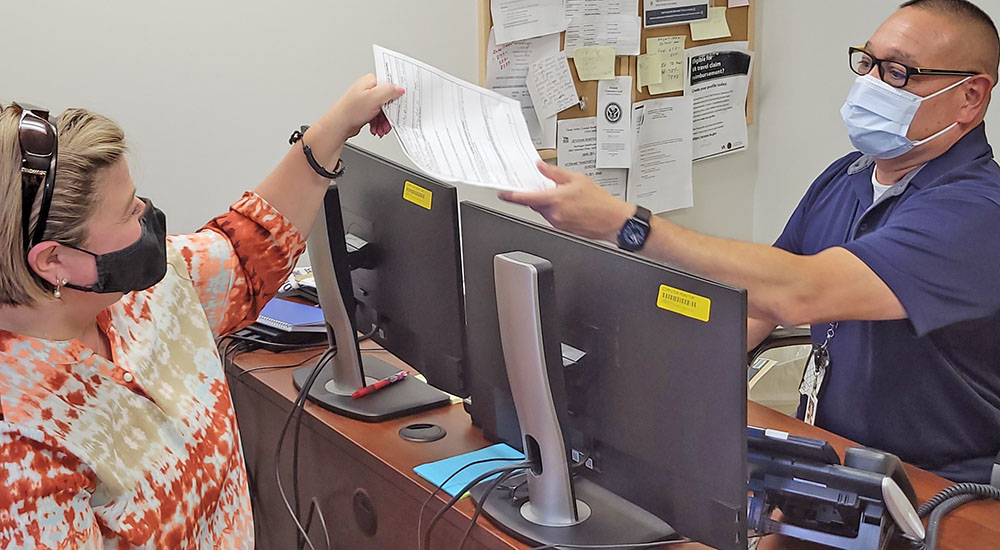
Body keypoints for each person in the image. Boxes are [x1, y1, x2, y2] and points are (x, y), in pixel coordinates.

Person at [501, 0, 1000, 484]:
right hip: (840, 464)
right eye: (867, 63)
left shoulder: (978, 213)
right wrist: (638, 382)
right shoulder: (847, 178)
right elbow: (760, 305)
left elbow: (802, 292)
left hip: (939, 490)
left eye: (897, 73)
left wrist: (627, 224)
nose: (869, 84)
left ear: (970, 96)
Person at [0, 75, 403, 548]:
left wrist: (337, 126)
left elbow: (249, 248)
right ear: (53, 261)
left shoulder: (144, 295)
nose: (147, 212)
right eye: (129, 211)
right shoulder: (20, 446)